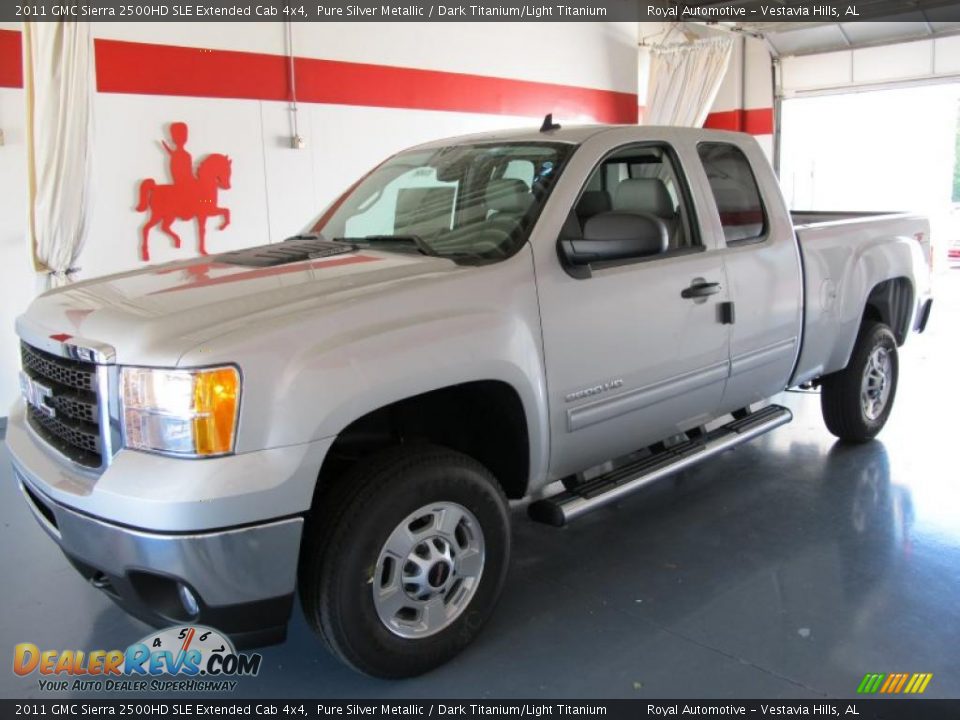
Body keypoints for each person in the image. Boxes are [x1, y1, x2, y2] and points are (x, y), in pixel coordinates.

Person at [161, 122, 194, 189]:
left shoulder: (185, 155)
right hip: (184, 183)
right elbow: (184, 174)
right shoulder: (184, 155)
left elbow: (189, 173)